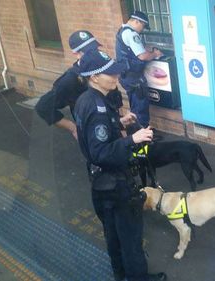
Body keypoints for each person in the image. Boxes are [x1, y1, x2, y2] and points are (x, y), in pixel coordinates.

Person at [74, 49, 167, 281]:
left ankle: (120, 274)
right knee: (130, 237)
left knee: (113, 235)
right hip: (115, 184)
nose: (116, 77)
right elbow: (100, 152)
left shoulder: (88, 100)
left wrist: (119, 122)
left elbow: (92, 136)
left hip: (101, 184)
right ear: (94, 77)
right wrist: (131, 139)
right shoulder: (98, 108)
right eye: (110, 74)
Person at [35, 30, 123, 139]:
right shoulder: (70, 80)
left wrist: (120, 122)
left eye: (95, 48)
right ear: (76, 54)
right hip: (94, 133)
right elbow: (43, 106)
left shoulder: (102, 67)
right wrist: (73, 128)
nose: (94, 53)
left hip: (113, 124)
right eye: (88, 51)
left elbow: (113, 98)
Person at [116, 10, 163, 128]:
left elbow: (134, 51)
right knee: (140, 108)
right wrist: (155, 54)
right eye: (143, 26)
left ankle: (136, 133)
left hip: (126, 75)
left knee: (135, 107)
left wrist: (147, 50)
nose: (142, 29)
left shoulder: (122, 31)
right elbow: (142, 56)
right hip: (134, 78)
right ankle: (144, 138)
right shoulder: (132, 34)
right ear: (137, 21)